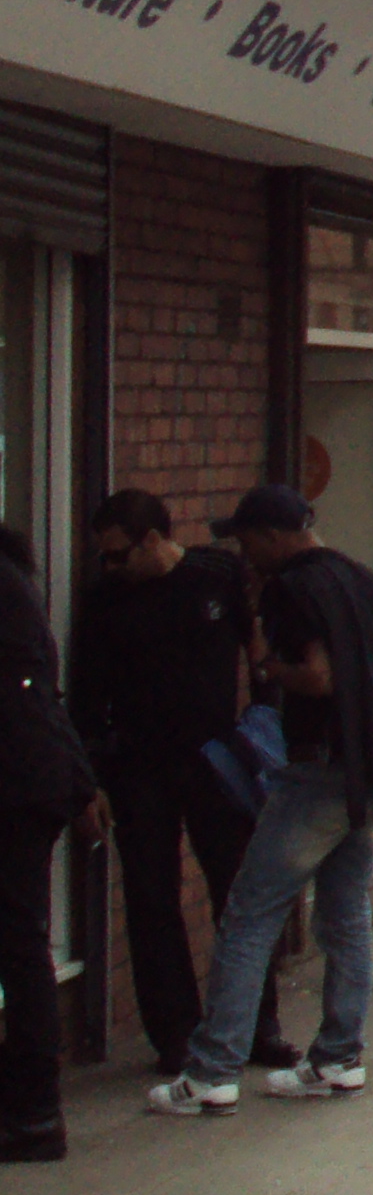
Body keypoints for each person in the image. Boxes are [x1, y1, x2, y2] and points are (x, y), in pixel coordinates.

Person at [149, 487, 373, 1116]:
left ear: (275, 536)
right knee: (345, 911)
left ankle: (211, 1070)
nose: (243, 553)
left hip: (319, 771)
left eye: (247, 540)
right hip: (370, 769)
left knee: (251, 913)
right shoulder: (357, 578)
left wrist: (269, 668)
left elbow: (319, 675)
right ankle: (338, 1058)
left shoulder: (289, 589)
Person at [75, 491, 293, 1083]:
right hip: (138, 764)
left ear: (152, 540)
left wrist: (265, 721)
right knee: (151, 900)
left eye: (119, 555)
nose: (110, 568)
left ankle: (256, 1024)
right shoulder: (103, 604)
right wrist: (94, 777)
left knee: (238, 893)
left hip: (215, 759)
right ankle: (174, 1036)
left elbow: (259, 649)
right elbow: (88, 698)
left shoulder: (214, 575)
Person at [2, 523, 98, 1159]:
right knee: (21, 944)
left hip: (14, 788)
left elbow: (26, 702)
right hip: (32, 785)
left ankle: (34, 1114)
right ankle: (33, 1110)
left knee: (18, 946)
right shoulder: (17, 586)